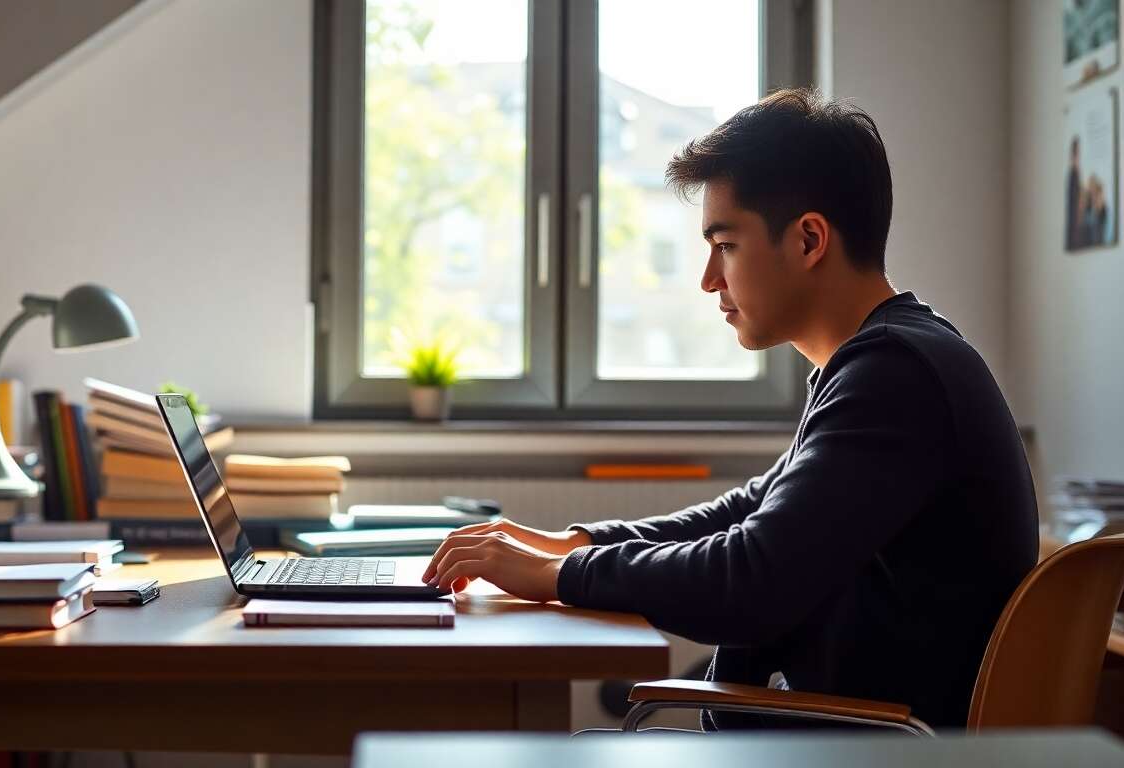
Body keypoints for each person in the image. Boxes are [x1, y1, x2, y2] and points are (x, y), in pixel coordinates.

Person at [422, 88, 1039, 731]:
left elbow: (750, 580)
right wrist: (569, 543)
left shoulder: (896, 375)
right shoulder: (888, 360)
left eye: (726, 245)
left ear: (807, 240)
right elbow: (748, 511)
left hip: (868, 750)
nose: (709, 279)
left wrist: (562, 574)